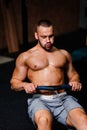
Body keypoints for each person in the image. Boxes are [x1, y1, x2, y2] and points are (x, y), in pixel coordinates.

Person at [10, 19, 87, 130]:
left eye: (51, 36)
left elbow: (74, 75)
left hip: (63, 98)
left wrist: (75, 81)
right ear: (36, 36)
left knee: (83, 121)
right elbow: (14, 82)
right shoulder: (25, 57)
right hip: (40, 99)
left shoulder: (63, 54)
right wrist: (25, 85)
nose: (48, 40)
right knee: (44, 121)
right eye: (44, 37)